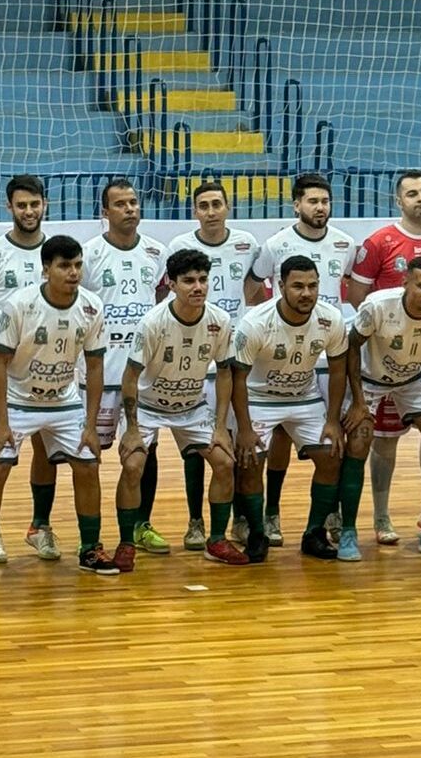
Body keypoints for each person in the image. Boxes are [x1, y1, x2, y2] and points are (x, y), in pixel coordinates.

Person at [0, 235, 118, 582]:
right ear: (46, 269)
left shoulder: (92, 306)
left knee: (88, 465)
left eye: (77, 265)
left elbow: (94, 367)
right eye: (64, 266)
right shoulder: (20, 304)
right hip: (18, 399)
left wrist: (90, 425)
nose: (73, 272)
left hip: (63, 400)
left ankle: (90, 548)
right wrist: (0, 421)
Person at [346, 170, 421, 546]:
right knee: (381, 441)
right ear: (399, 201)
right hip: (379, 362)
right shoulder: (380, 242)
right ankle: (379, 516)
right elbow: (358, 298)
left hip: (420, 367)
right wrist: (392, 334)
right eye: (412, 193)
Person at [116, 249, 246, 571]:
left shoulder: (220, 321)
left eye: (203, 280)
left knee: (225, 464)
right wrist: (132, 429)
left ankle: (216, 540)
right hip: (148, 406)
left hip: (191, 407)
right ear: (171, 284)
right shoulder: (153, 323)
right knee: (133, 466)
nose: (198, 287)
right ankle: (126, 542)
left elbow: (226, 372)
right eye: (188, 281)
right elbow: (130, 377)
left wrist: (219, 427)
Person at [244, 172, 355, 547]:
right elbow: (251, 286)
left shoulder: (345, 243)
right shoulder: (276, 244)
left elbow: (353, 291)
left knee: (332, 442)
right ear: (296, 205)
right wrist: (277, 324)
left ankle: (326, 519)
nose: (319, 207)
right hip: (276, 363)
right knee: (273, 442)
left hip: (323, 350)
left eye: (324, 201)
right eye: (312, 201)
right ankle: (266, 515)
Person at [233, 255, 348, 563]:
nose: (306, 293)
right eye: (298, 286)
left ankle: (314, 534)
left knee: (331, 456)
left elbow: (339, 369)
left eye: (312, 285)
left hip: (303, 398)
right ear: (280, 286)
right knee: (249, 460)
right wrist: (243, 429)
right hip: (259, 398)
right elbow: (237, 378)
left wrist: (334, 420)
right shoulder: (255, 322)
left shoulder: (330, 318)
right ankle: (257, 534)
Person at [168, 180, 260, 551]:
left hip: (232, 358)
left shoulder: (247, 244)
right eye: (203, 205)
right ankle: (195, 521)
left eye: (216, 204)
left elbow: (252, 288)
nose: (210, 211)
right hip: (193, 363)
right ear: (195, 211)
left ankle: (237, 518)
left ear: (227, 207)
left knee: (235, 443)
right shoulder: (179, 247)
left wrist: (229, 318)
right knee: (196, 446)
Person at [80, 178, 170, 554]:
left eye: (133, 202)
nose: (130, 209)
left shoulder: (156, 251)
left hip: (143, 378)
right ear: (105, 213)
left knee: (144, 454)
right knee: (90, 456)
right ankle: (93, 534)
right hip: (99, 377)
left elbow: (163, 298)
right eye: (120, 204)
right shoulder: (88, 255)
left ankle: (140, 526)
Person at [0, 173, 52, 564]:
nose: (29, 211)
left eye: (35, 204)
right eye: (22, 205)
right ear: (9, 208)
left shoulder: (57, 252)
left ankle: (40, 526)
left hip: (52, 373)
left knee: (45, 449)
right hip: (3, 373)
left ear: (45, 205)